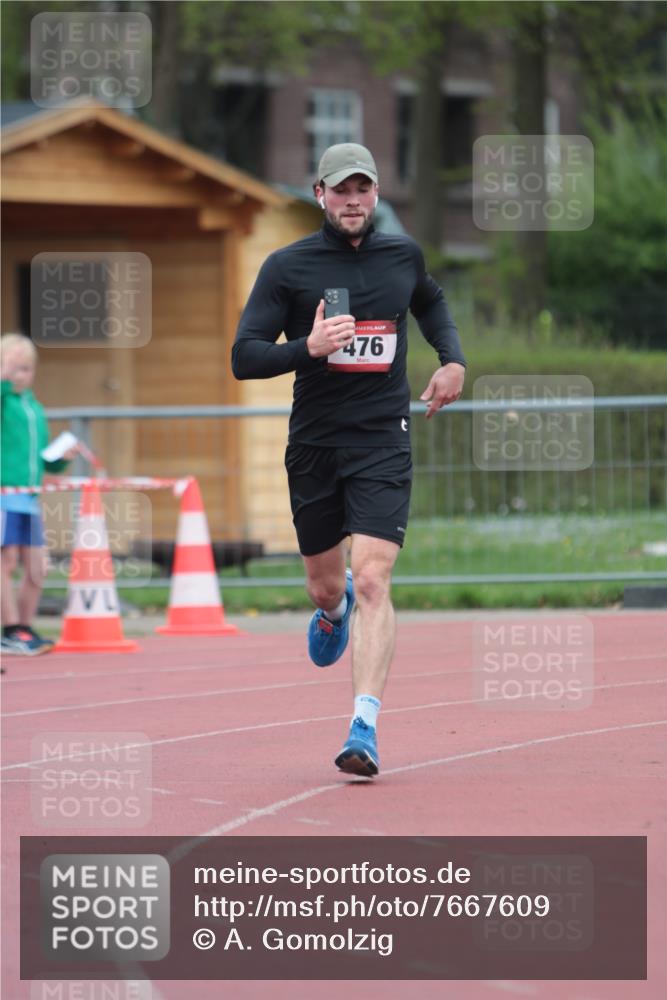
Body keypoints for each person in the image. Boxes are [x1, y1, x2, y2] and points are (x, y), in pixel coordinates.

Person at [232, 143, 466, 777]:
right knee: (329, 584)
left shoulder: (402, 255)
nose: (354, 200)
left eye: (363, 188)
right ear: (320, 195)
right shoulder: (287, 267)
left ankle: (363, 726)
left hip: (383, 438)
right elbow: (244, 356)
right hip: (314, 443)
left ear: (378, 192)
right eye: (342, 190)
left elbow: (431, 301)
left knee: (372, 579)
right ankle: (329, 614)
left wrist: (453, 360)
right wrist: (306, 347)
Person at [1, 333, 75, 655]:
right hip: (4, 494)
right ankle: (9, 628)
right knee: (6, 561)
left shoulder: (35, 408)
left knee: (36, 566)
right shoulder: (4, 401)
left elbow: (45, 461)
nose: (21, 375)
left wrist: (59, 459)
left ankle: (25, 626)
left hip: (28, 499)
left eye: (26, 369)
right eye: (14, 369)